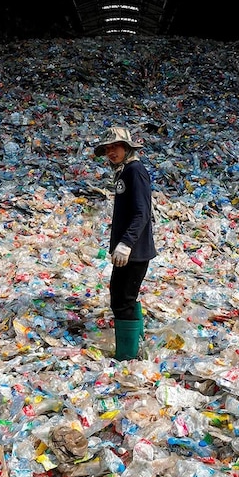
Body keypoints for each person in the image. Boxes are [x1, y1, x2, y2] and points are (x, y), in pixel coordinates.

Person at [93, 126, 156, 360]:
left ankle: (127, 357)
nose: (111, 152)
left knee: (122, 300)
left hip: (134, 252)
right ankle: (136, 342)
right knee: (123, 296)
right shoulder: (125, 171)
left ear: (127, 148)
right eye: (108, 149)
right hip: (128, 251)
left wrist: (126, 243)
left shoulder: (135, 171)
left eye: (115, 147)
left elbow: (142, 213)